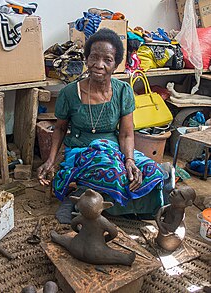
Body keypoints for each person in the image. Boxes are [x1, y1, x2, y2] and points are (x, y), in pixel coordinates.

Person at [37, 28, 164, 224]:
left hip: (114, 147)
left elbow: (127, 135)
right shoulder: (70, 93)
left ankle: (121, 209)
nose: (99, 65)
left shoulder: (124, 91)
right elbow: (60, 129)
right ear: (86, 59)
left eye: (107, 60)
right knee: (110, 170)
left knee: (150, 170)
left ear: (116, 64)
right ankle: (79, 202)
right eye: (93, 57)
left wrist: (129, 160)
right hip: (81, 148)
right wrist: (50, 160)